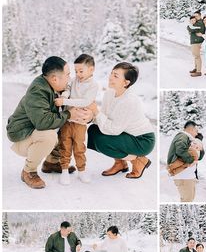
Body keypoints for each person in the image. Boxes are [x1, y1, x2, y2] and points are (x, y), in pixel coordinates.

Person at [6, 56, 82, 189]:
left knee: (64, 123)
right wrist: (69, 113)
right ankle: (28, 171)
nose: (69, 79)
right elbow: (43, 122)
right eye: (67, 75)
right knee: (49, 134)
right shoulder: (38, 91)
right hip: (22, 137)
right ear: (54, 79)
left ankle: (51, 162)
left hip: (33, 133)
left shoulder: (56, 87)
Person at [87, 62, 155, 179]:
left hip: (142, 140)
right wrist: (91, 117)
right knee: (93, 130)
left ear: (126, 82)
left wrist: (96, 112)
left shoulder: (129, 101)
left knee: (103, 141)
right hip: (126, 134)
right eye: (112, 73)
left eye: (116, 76)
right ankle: (120, 164)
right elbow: (104, 119)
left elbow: (114, 129)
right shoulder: (109, 93)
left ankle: (138, 160)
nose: (110, 77)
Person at [54, 54, 99, 185]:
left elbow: (85, 101)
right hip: (67, 120)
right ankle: (64, 170)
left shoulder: (93, 85)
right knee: (65, 145)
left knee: (79, 147)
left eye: (81, 71)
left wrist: (65, 100)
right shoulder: (74, 81)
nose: (78, 74)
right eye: (76, 71)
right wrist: (65, 94)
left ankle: (82, 170)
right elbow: (67, 87)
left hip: (80, 122)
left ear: (91, 70)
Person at [167, 121, 205, 202]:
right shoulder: (182, 137)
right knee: (187, 200)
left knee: (188, 199)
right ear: (192, 129)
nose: (196, 134)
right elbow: (180, 150)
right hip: (184, 176)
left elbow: (199, 157)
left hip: (187, 176)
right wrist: (191, 161)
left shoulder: (189, 140)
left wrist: (199, 143)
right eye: (196, 131)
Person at [187, 10, 206, 77]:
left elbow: (191, 29)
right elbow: (191, 28)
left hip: (196, 41)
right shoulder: (197, 22)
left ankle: (198, 71)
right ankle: (196, 68)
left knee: (197, 56)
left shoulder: (199, 23)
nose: (195, 17)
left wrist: (188, 27)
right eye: (194, 16)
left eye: (196, 16)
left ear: (200, 16)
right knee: (195, 56)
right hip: (195, 41)